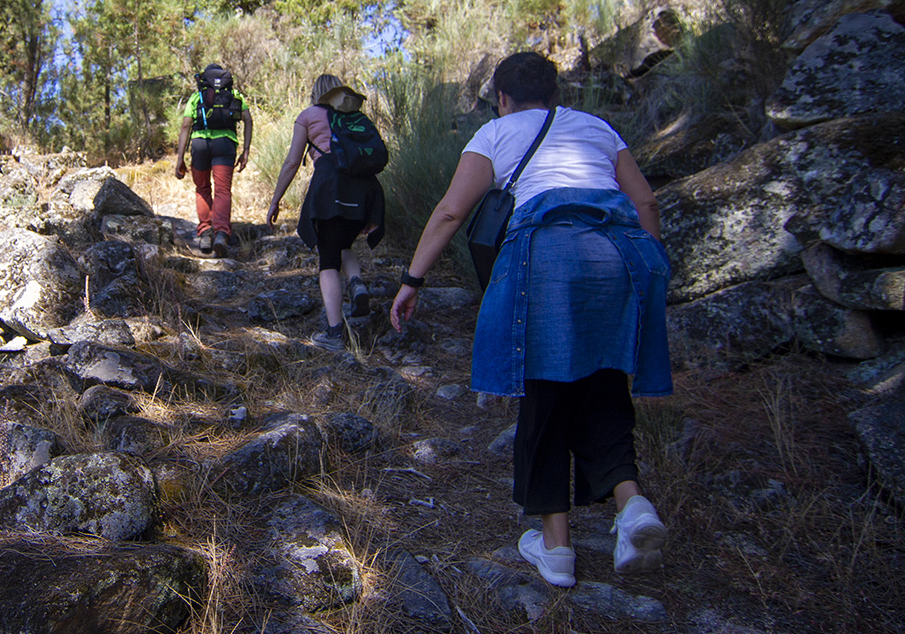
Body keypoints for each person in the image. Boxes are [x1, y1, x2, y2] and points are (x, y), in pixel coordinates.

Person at [389, 52, 672, 587]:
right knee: (604, 383)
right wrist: (650, 271)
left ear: (501, 98)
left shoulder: (495, 133)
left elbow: (451, 211)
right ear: (555, 94)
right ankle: (632, 504)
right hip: (618, 257)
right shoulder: (598, 127)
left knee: (544, 396)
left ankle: (557, 548)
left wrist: (412, 280)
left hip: (545, 261)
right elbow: (647, 204)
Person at [267, 74, 385, 352]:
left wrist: (276, 199)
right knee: (344, 244)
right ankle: (357, 283)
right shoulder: (355, 117)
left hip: (330, 188)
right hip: (366, 191)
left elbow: (292, 162)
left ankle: (334, 334)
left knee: (328, 260)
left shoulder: (308, 116)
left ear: (316, 94)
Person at [175, 63, 253, 257]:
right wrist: (246, 150)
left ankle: (205, 233)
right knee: (222, 190)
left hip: (200, 145)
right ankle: (221, 234)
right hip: (226, 144)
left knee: (202, 188)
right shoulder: (235, 95)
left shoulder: (197, 97)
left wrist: (180, 158)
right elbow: (248, 120)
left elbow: (185, 126)